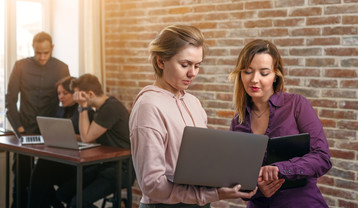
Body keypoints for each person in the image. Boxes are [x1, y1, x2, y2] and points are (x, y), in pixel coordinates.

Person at [129, 24, 257, 208]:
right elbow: (152, 184)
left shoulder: (193, 103)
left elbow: (200, 162)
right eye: (185, 65)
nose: (193, 73)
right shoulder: (148, 106)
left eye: (197, 65)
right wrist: (212, 194)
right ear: (160, 62)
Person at [229, 39, 332, 207]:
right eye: (247, 71)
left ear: (275, 74)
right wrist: (258, 190)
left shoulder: (296, 105)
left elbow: (322, 158)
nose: (254, 79)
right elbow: (239, 182)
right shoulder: (237, 121)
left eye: (263, 73)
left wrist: (279, 169)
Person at [5, 31, 70, 208]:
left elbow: (65, 100)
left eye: (45, 53)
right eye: (38, 53)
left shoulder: (62, 68)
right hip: (24, 130)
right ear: (33, 49)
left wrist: (58, 128)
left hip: (50, 132)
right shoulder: (20, 66)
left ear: (52, 49)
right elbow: (10, 99)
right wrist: (19, 128)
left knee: (43, 179)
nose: (41, 57)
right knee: (21, 176)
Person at [56, 73, 134, 208]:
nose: (76, 98)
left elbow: (86, 137)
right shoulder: (100, 109)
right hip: (104, 165)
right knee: (63, 194)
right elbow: (87, 136)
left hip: (120, 169)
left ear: (90, 94)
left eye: (78, 94)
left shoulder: (111, 108)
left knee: (79, 203)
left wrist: (82, 106)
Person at [27, 76, 94, 208]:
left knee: (40, 176)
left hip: (79, 165)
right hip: (64, 160)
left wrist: (70, 136)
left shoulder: (85, 111)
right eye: (58, 93)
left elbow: (89, 138)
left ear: (75, 94)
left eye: (65, 93)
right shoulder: (61, 110)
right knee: (40, 174)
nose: (61, 97)